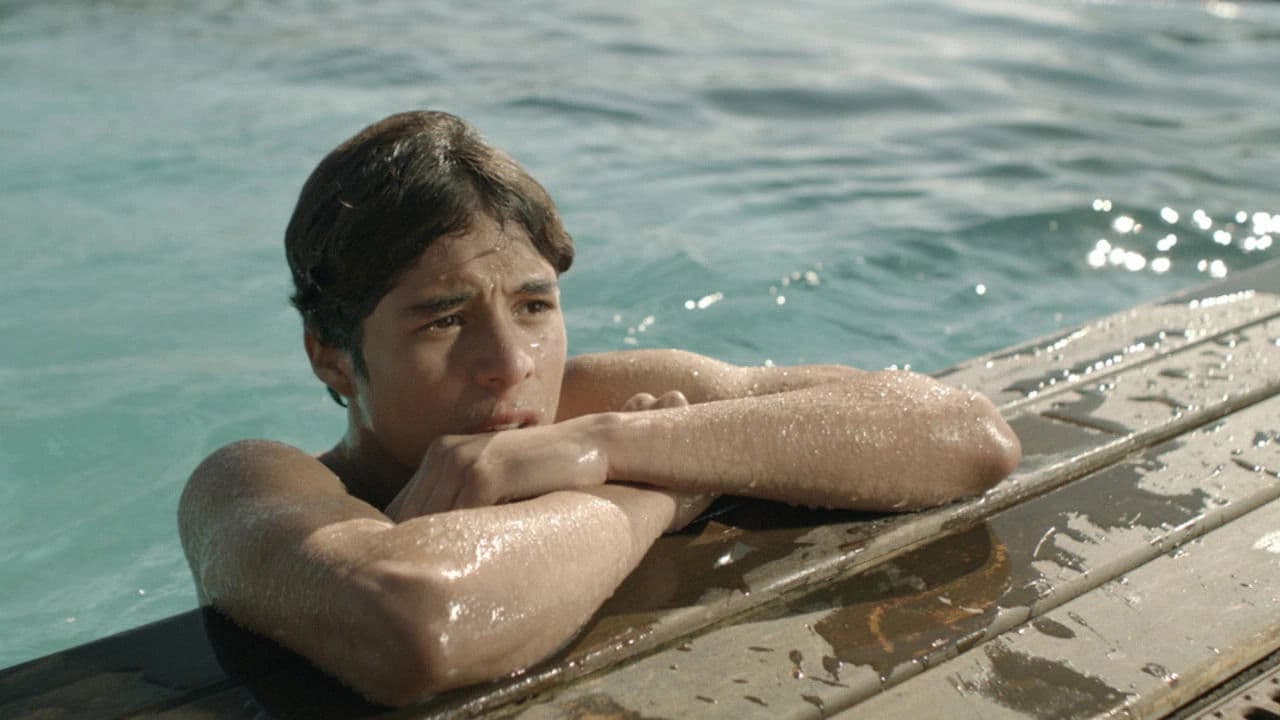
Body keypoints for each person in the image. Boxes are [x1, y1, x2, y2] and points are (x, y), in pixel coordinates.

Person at [177, 110, 1021, 707]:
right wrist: (650, 492)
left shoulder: (595, 405)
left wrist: (614, 440)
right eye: (444, 320)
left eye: (534, 308)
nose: (510, 365)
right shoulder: (254, 486)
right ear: (331, 354)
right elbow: (420, 623)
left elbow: (967, 434)